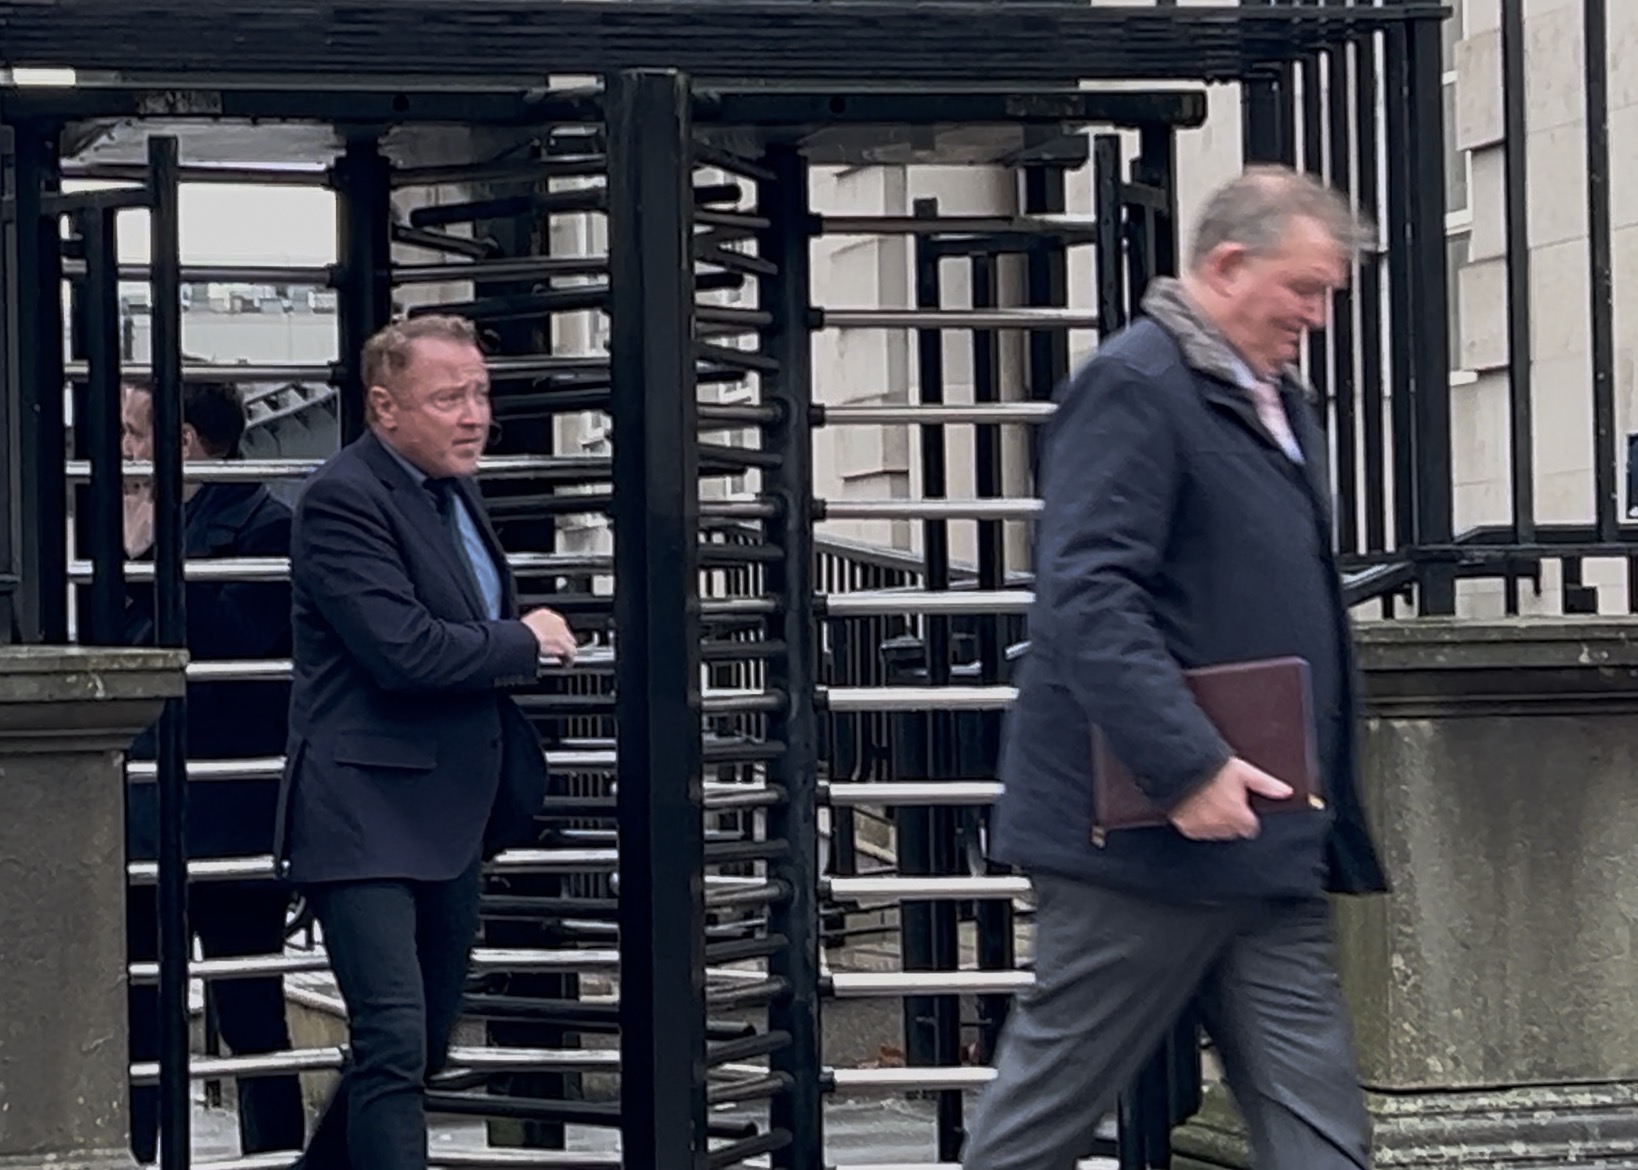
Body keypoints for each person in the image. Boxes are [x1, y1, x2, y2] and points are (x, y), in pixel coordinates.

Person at [962, 167, 1389, 1170]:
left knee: (1322, 1131)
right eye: (1305, 288)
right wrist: (1187, 766)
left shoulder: (1275, 395)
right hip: (1143, 846)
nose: (1316, 316)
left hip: (1269, 835)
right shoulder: (1137, 383)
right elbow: (1087, 595)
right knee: (1040, 1127)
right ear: (1229, 263)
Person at [276, 313, 577, 1170]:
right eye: (450, 397)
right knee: (395, 1039)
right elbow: (400, 649)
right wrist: (526, 639)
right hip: (361, 816)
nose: (475, 414)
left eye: (480, 393)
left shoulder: (449, 490)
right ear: (385, 407)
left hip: (447, 818)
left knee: (419, 1046)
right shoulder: (343, 497)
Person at [120, 378, 306, 1162]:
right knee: (136, 1008)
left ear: (185, 442)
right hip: (137, 808)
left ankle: (273, 1156)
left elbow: (234, 645)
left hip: (230, 810)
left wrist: (155, 556)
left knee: (251, 1006)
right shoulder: (124, 522)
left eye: (134, 433)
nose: (122, 449)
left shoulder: (270, 526)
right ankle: (134, 1154)